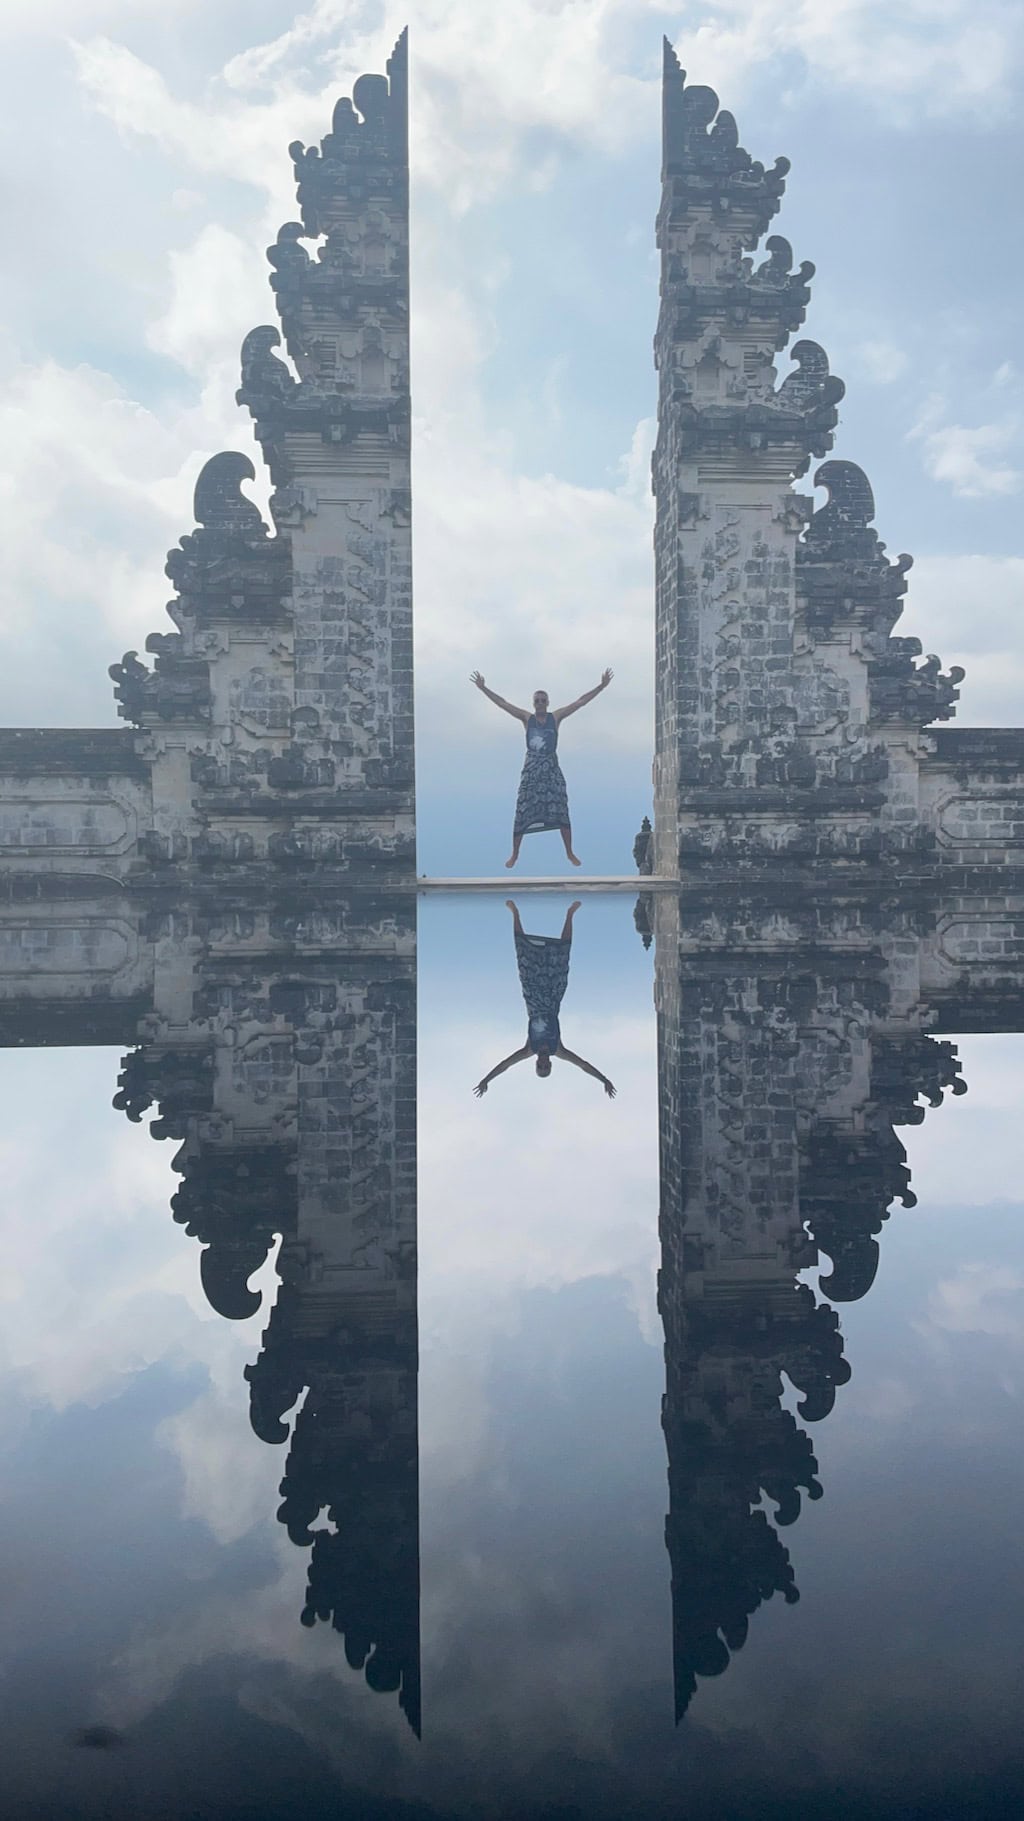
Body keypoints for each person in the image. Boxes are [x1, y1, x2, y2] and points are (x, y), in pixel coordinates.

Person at [469, 667, 613, 868]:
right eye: (537, 701)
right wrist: (483, 688)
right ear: (533, 703)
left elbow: (580, 702)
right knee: (523, 808)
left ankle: (570, 853)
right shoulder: (527, 719)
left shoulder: (556, 717)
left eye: (543, 700)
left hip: (551, 769)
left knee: (561, 805)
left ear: (548, 703)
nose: (540, 703)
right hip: (532, 770)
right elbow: (503, 704)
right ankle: (515, 854)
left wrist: (601, 687)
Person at [473, 900, 616, 1098]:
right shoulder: (559, 1049)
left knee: (524, 958)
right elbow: (583, 1065)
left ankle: (515, 913)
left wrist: (486, 1079)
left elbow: (506, 1065)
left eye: (539, 1066)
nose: (542, 1062)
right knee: (562, 958)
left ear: (536, 1063)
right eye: (545, 1066)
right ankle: (569, 915)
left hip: (532, 997)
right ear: (550, 1063)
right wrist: (604, 1079)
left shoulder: (528, 1049)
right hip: (553, 997)